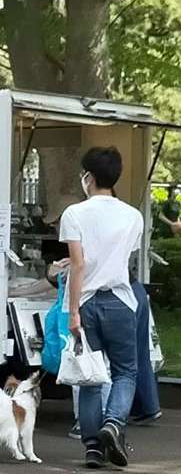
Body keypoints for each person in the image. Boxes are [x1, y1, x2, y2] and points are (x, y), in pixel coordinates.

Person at [60, 146, 143, 468]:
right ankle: (114, 424)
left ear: (88, 177)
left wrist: (73, 311)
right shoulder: (132, 216)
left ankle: (93, 448)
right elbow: (124, 258)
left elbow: (78, 265)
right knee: (125, 372)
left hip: (88, 302)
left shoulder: (74, 214)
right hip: (122, 301)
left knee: (90, 376)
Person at [129, 279, 162, 424]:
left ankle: (143, 406)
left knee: (127, 357)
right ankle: (149, 406)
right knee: (141, 354)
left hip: (126, 295)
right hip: (136, 290)